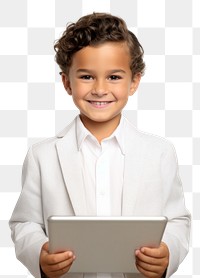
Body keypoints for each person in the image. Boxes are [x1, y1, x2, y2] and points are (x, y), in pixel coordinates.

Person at [9, 12, 190, 278]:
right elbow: (25, 222)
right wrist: (39, 253)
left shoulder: (160, 152)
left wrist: (168, 253)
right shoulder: (42, 155)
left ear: (134, 82)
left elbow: (177, 221)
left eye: (114, 77)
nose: (100, 89)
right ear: (67, 82)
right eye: (86, 77)